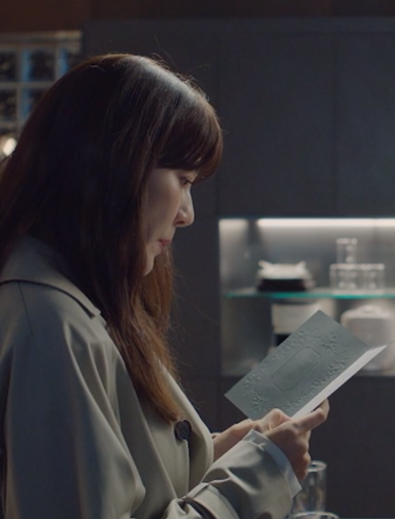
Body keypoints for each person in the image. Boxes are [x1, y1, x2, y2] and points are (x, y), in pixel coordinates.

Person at [0, 54, 329, 518]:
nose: (187, 214)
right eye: (183, 180)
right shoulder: (51, 325)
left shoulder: (73, 303)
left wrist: (220, 455)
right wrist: (259, 474)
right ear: (116, 169)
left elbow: (128, 485)